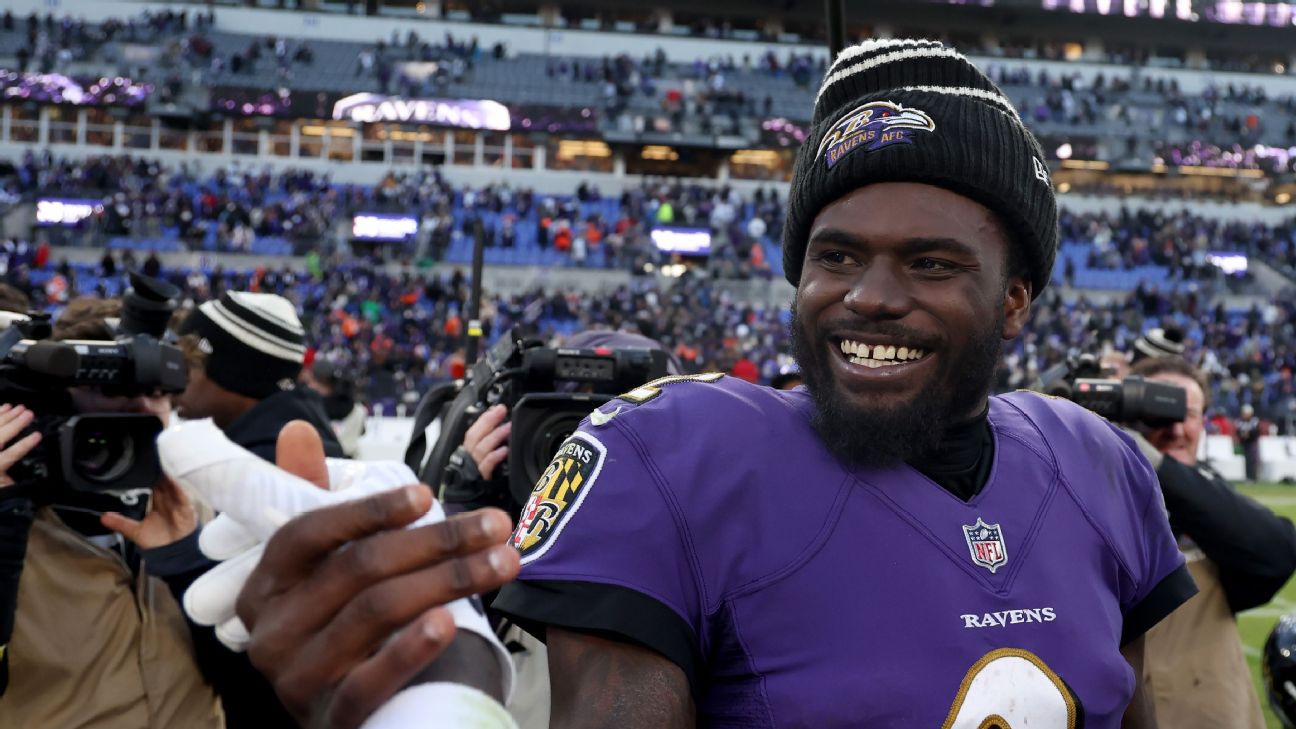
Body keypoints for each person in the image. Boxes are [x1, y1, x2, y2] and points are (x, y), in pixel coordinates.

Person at [224, 39, 1195, 728]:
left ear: (1015, 299)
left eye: (931, 263)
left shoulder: (1097, 463)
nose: (868, 296)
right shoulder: (673, 454)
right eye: (835, 256)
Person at [0, 301, 224, 728]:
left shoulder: (194, 503)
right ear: (56, 398)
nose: (140, 409)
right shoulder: (17, 519)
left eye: (157, 393)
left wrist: (186, 563)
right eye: (111, 390)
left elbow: (242, 670)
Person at [1122, 356, 1296, 728]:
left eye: (1188, 414)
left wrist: (1157, 466)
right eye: (1158, 411)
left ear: (1203, 423)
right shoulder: (1090, 499)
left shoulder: (1214, 504)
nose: (1176, 428)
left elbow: (1277, 555)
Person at [175, 291, 343, 460]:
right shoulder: (284, 443)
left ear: (233, 376)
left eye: (189, 363)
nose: (177, 376)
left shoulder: (261, 463)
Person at [301, 359, 367, 458]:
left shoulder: (311, 408)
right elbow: (362, 432)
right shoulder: (357, 408)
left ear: (315, 381)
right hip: (351, 461)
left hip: (322, 460)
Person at [1237, 404, 1262, 482]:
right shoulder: (1241, 422)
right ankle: (1248, 476)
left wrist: (1249, 434)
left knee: (1253, 460)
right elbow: (1238, 432)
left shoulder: (1254, 421)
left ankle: (1254, 477)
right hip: (1245, 444)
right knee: (1247, 461)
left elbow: (1257, 432)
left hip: (1252, 443)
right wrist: (1243, 435)